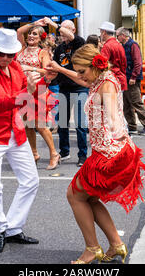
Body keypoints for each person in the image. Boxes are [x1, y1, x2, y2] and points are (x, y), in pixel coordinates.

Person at [0, 28, 58, 253]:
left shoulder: (15, 67)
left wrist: (44, 81)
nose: (5, 58)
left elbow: (25, 95)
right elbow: (3, 102)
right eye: (1, 53)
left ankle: (12, 228)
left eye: (10, 54)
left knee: (31, 181)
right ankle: (0, 227)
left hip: (15, 130)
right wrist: (29, 91)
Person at [64, 44, 145, 264]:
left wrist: (119, 137)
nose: (81, 76)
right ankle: (116, 245)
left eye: (83, 70)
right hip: (105, 150)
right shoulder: (99, 79)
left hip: (110, 154)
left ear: (94, 65)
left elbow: (113, 117)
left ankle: (92, 248)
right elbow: (81, 79)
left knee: (74, 195)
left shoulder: (107, 85)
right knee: (87, 197)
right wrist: (58, 68)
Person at [16, 18, 60, 170]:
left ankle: (54, 153)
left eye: (34, 34)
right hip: (23, 89)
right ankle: (34, 153)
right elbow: (19, 31)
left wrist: (30, 68)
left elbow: (49, 70)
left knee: (40, 126)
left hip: (39, 90)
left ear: (40, 37)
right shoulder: (21, 48)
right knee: (27, 125)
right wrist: (35, 23)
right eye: (30, 34)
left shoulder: (42, 53)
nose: (30, 36)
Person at [45, 19, 89, 167]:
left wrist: (53, 23)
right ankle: (64, 151)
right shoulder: (59, 49)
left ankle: (82, 155)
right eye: (60, 31)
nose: (61, 33)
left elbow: (69, 36)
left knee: (80, 124)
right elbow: (56, 69)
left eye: (65, 30)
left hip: (80, 87)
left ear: (73, 30)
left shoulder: (79, 43)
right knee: (62, 123)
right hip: (64, 88)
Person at [116, 27, 145, 135]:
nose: (117, 37)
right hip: (125, 79)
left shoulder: (133, 45)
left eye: (118, 35)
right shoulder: (123, 46)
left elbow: (138, 63)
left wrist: (133, 77)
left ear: (123, 35)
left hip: (132, 79)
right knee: (127, 104)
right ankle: (132, 126)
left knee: (136, 103)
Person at [99, 21, 127, 92]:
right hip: (121, 79)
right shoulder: (119, 45)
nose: (100, 34)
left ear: (104, 32)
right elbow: (124, 64)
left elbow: (101, 65)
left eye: (100, 32)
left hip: (111, 81)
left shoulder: (107, 46)